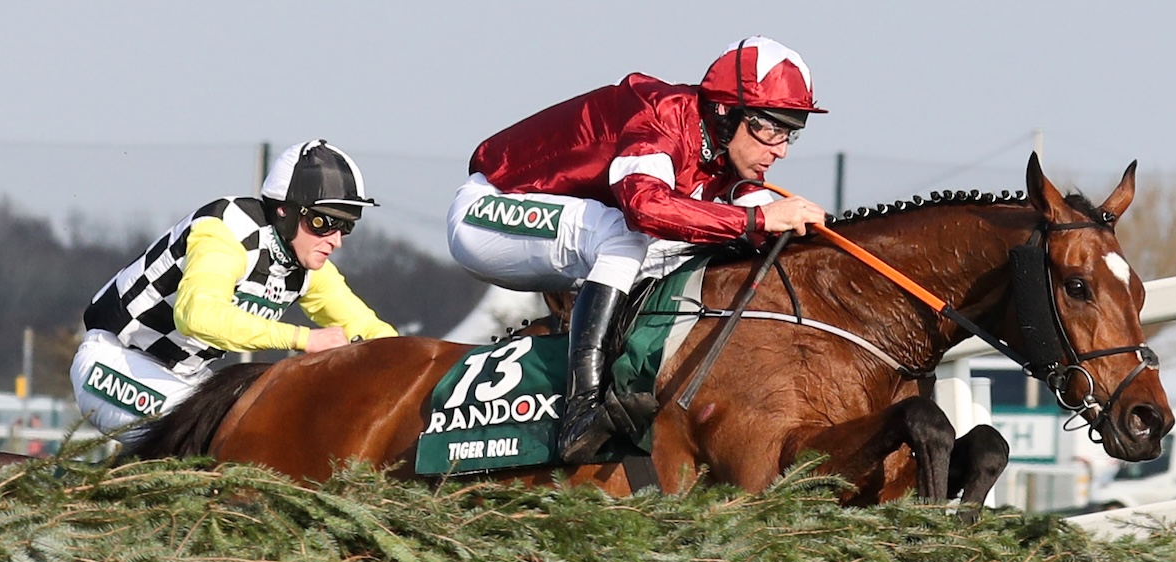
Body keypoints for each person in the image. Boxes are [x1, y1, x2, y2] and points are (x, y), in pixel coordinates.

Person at [447, 37, 830, 462]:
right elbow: (644, 208)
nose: (778, 148)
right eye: (770, 126)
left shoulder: (725, 153)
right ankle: (582, 412)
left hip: (555, 229)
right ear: (725, 112)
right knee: (626, 234)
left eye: (789, 133)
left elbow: (752, 221)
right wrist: (757, 221)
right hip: (487, 211)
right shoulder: (659, 114)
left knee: (682, 247)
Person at [72, 140, 399, 439]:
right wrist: (304, 339)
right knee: (223, 443)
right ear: (284, 210)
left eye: (346, 226)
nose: (336, 239)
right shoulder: (224, 230)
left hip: (187, 381)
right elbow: (197, 317)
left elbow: (368, 328)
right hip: (114, 363)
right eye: (322, 223)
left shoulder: (309, 267)